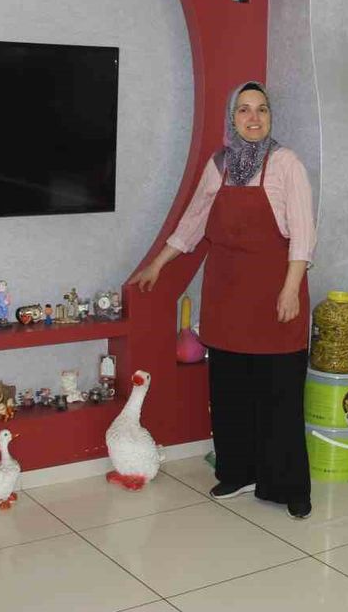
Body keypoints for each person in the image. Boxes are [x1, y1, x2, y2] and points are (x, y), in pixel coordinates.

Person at [130, 81, 315, 520]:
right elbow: (193, 222)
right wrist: (157, 264)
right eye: (244, 110)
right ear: (232, 119)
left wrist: (291, 288)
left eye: (262, 109)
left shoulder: (287, 164)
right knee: (230, 393)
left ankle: (288, 486)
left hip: (275, 297)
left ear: (271, 117)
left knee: (280, 397)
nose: (254, 118)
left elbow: (304, 233)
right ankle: (237, 472)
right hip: (226, 297)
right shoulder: (219, 165)